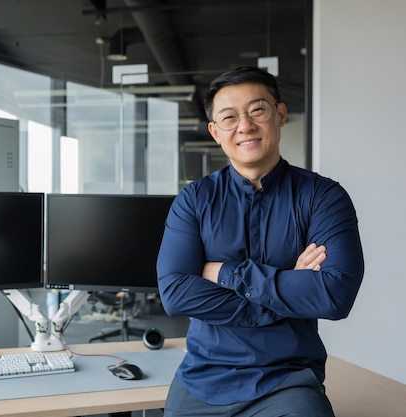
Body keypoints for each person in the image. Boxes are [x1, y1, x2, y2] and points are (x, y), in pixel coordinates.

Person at [156, 66, 364, 417]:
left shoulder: (323, 197)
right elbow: (175, 294)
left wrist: (224, 273)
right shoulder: (194, 200)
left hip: (287, 382)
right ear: (215, 132)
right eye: (229, 117)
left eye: (257, 110)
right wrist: (288, 291)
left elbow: (334, 295)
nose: (245, 125)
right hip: (203, 381)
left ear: (279, 114)